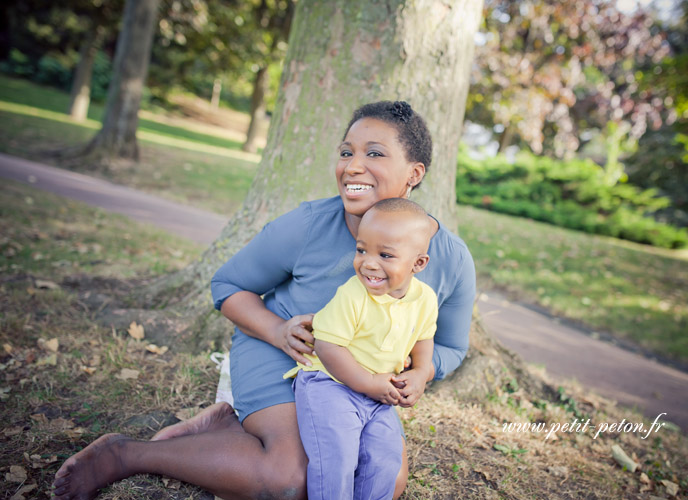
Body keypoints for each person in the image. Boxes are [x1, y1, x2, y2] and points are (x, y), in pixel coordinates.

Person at [52, 100, 476, 500]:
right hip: (287, 358)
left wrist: (421, 372)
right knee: (291, 479)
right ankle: (125, 453)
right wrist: (277, 330)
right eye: (346, 152)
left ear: (414, 173)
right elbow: (228, 285)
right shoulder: (308, 225)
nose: (353, 166)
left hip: (361, 382)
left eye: (375, 154)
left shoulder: (450, 259)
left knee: (382, 483)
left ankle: (226, 426)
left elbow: (453, 347)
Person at [287, 198, 437, 499]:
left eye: (385, 255)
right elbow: (329, 347)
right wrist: (368, 384)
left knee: (385, 459)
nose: (368, 262)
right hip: (330, 383)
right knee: (337, 454)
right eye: (361, 250)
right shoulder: (353, 295)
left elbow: (423, 341)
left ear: (418, 264)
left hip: (379, 396)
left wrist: (420, 373)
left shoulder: (425, 300)